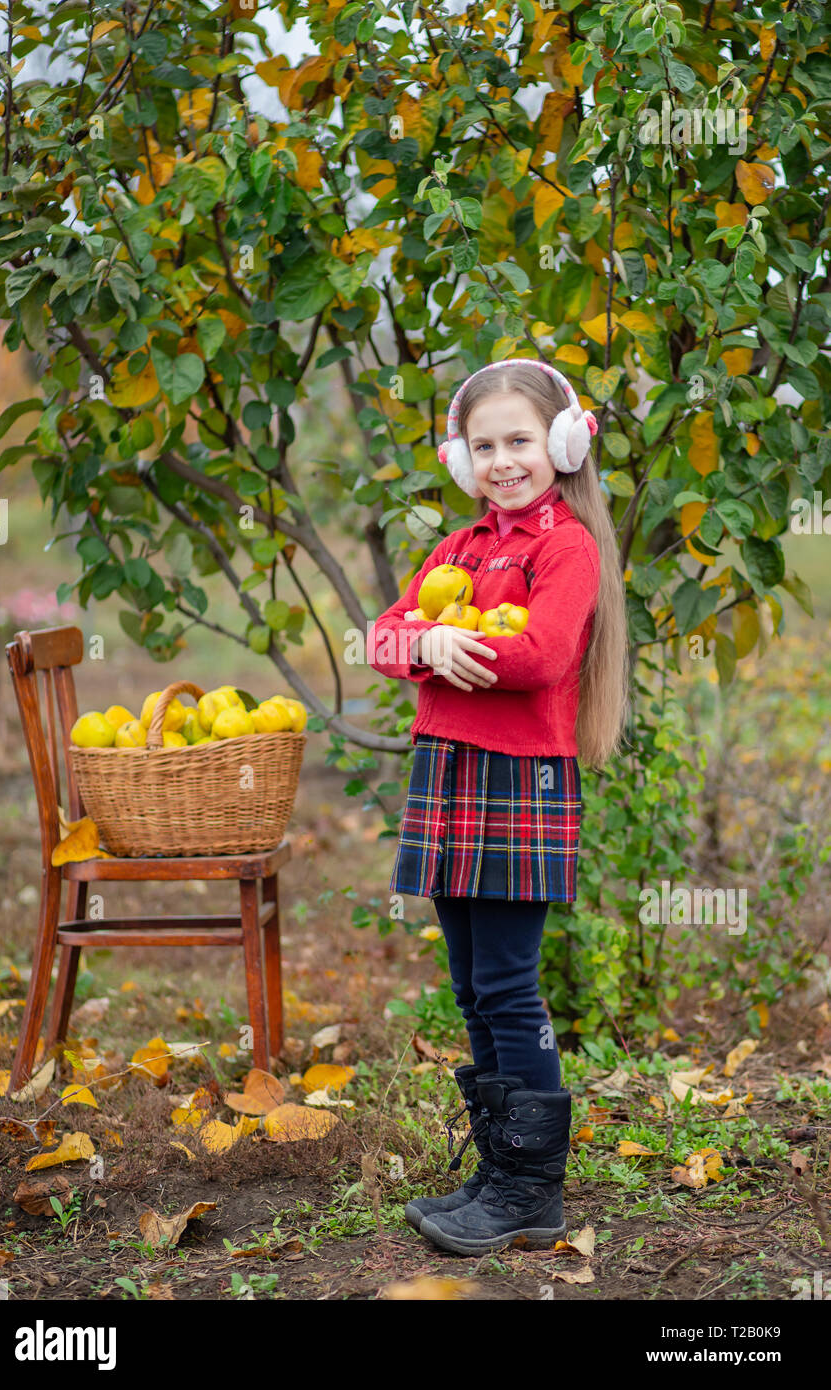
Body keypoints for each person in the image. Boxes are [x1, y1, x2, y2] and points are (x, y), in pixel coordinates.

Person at [366, 357, 630, 1256]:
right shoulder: (458, 550)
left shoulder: (568, 548)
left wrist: (440, 642)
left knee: (512, 987)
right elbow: (381, 635)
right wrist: (426, 637)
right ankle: (499, 1170)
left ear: (560, 441)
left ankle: (531, 1190)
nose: (504, 460)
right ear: (460, 457)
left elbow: (542, 656)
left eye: (520, 440)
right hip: (448, 774)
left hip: (522, 780)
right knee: (471, 985)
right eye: (485, 446)